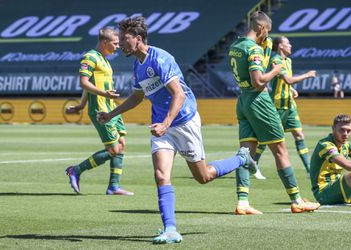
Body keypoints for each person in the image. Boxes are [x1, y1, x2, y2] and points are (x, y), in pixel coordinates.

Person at [97, 16, 257, 244]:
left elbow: (179, 94)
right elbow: (137, 96)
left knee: (203, 176)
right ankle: (170, 229)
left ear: (138, 39)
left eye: (124, 39)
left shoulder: (160, 58)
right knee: (161, 175)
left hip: (183, 121)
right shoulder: (137, 64)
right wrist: (111, 114)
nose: (121, 43)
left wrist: (166, 123)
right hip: (162, 127)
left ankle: (241, 158)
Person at [228, 11, 320, 215]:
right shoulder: (253, 49)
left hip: (243, 100)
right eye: (267, 31)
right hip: (259, 99)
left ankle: (243, 202)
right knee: (280, 151)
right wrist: (276, 71)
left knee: (245, 153)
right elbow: (259, 81)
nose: (266, 35)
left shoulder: (235, 46)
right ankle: (297, 200)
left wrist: (266, 50)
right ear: (261, 28)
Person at [65, 28, 134, 196]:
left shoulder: (104, 59)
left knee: (121, 144)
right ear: (105, 42)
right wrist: (103, 95)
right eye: (115, 43)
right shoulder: (90, 57)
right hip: (100, 109)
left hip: (112, 108)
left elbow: (89, 87)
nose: (118, 46)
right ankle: (76, 170)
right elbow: (83, 83)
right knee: (113, 150)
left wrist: (81, 105)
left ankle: (113, 187)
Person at [252, 36, 317, 179]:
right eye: (287, 43)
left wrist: (292, 90)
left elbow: (287, 82)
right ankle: (253, 164)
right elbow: (287, 79)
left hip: (290, 105)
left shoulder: (289, 60)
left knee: (299, 135)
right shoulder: (276, 60)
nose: (290, 45)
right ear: (280, 46)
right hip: (277, 106)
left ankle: (309, 170)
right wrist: (307, 75)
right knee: (266, 139)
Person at [311, 114, 351, 204]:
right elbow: (347, 165)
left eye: (348, 131)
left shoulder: (346, 145)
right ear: (333, 129)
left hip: (338, 188)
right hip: (324, 193)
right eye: (342, 130)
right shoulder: (325, 145)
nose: (345, 134)